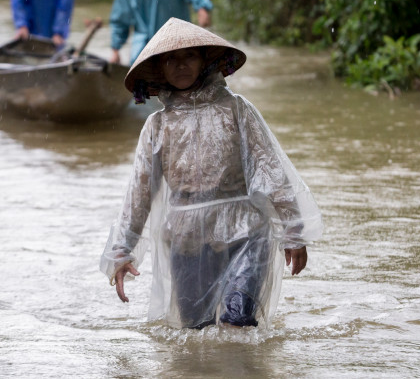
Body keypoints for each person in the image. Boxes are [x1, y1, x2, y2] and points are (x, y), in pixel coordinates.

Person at [100, 18, 323, 329]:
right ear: (160, 69)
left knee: (238, 320)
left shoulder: (236, 109)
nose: (180, 66)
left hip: (244, 230)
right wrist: (122, 251)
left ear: (204, 60)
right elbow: (139, 193)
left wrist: (293, 231)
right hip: (186, 237)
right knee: (196, 331)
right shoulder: (157, 125)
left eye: (189, 56)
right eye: (171, 60)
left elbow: (269, 169)